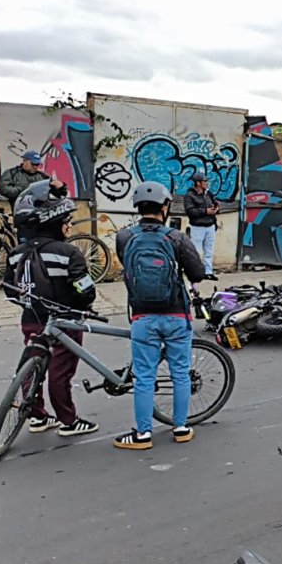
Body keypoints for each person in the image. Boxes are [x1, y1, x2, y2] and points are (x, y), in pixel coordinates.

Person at [113, 181, 206, 450]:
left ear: (138, 207)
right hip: (176, 313)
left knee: (144, 376)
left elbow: (128, 266)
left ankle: (142, 435)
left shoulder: (125, 237)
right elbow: (197, 273)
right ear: (165, 207)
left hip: (142, 315)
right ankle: (181, 428)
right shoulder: (176, 238)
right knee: (180, 373)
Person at [3, 194, 100, 438]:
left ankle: (37, 416)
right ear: (55, 224)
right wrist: (83, 302)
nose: (69, 225)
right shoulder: (69, 253)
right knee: (60, 373)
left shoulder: (15, 253)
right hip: (65, 322)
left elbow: (9, 289)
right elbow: (85, 291)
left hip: (31, 320)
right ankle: (68, 421)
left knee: (30, 368)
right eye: (67, 221)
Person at [183, 173, 220, 281]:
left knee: (209, 250)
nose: (207, 183)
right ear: (198, 183)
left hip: (210, 225)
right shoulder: (190, 196)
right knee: (196, 251)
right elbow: (190, 211)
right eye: (204, 181)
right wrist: (205, 211)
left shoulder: (208, 194)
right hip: (197, 227)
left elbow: (214, 203)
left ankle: (208, 272)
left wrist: (216, 209)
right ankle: (196, 272)